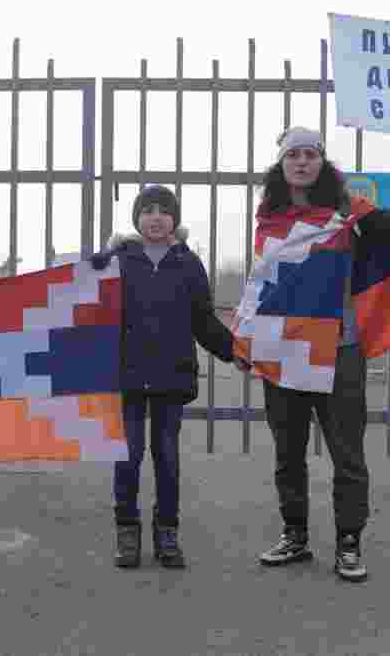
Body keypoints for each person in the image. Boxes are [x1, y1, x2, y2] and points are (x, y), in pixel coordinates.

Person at [235, 127, 390, 582]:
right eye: (293, 155)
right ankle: (295, 534)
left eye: (310, 155)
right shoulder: (269, 220)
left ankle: (349, 541)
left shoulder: (347, 211)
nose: (302, 162)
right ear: (281, 165)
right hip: (282, 351)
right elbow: (261, 284)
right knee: (288, 452)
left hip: (339, 349)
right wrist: (245, 338)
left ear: (321, 162)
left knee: (348, 454)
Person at [90, 185, 236, 569]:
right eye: (148, 210)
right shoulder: (118, 260)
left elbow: (203, 320)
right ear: (136, 219)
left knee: (167, 456)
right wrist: (98, 261)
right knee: (129, 455)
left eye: (164, 211)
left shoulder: (189, 263)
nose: (156, 217)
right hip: (129, 376)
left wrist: (235, 351)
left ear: (175, 219)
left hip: (173, 377)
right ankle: (127, 531)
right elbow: (90, 305)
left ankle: (167, 533)